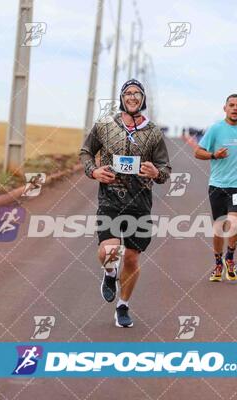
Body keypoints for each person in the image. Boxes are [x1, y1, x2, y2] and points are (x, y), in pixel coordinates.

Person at [79, 79, 171, 328]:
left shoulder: (153, 132)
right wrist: (94, 172)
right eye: (128, 93)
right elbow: (86, 152)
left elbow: (165, 170)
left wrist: (156, 173)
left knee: (130, 259)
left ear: (143, 99)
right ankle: (110, 274)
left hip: (140, 203)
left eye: (137, 94)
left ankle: (123, 306)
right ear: (122, 98)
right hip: (110, 199)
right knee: (109, 252)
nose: (132, 97)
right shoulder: (105, 125)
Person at [194, 94, 237, 282]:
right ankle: (218, 263)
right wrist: (214, 155)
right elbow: (197, 152)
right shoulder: (216, 129)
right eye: (231, 105)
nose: (235, 108)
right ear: (225, 108)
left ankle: (229, 258)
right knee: (219, 228)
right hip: (218, 184)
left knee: (234, 223)